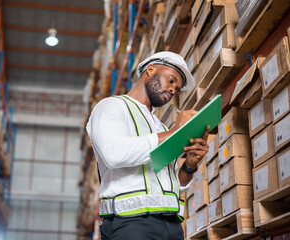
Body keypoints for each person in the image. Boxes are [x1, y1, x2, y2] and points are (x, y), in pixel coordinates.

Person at [86, 51, 210, 240]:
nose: (172, 90)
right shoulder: (111, 106)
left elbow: (171, 184)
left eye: (176, 88)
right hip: (130, 224)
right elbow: (113, 153)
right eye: (171, 80)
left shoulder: (160, 127)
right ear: (150, 70)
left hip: (172, 226)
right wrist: (174, 132)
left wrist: (190, 165)